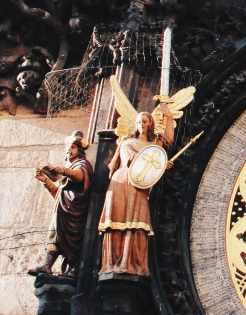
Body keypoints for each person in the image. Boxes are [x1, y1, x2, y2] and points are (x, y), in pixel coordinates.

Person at [99, 111, 165, 278]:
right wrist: (156, 160)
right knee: (120, 221)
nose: (142, 124)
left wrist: (163, 163)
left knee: (138, 223)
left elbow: (155, 162)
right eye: (139, 122)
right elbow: (132, 160)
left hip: (140, 186)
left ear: (150, 124)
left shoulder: (153, 146)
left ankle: (134, 263)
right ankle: (114, 263)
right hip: (124, 181)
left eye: (145, 121)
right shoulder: (128, 143)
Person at [29, 131, 93, 276]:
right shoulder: (70, 167)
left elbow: (79, 176)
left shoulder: (82, 164)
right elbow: (59, 194)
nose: (69, 150)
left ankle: (74, 269)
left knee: (72, 240)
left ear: (80, 150)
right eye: (68, 148)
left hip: (74, 211)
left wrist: (64, 171)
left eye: (73, 147)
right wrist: (46, 181)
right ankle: (46, 265)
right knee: (53, 235)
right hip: (62, 209)